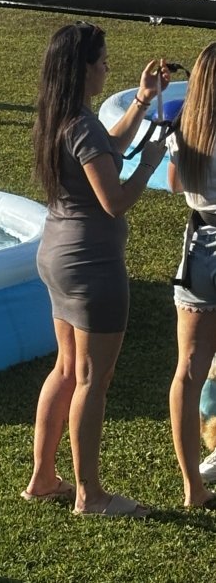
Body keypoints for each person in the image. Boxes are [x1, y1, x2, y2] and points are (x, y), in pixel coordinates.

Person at [21, 21, 169, 517]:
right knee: (92, 379)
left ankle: (43, 478)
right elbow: (114, 200)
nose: (108, 67)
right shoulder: (81, 125)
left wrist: (142, 101)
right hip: (92, 266)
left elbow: (107, 149)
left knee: (66, 369)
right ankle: (90, 495)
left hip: (58, 255)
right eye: (103, 61)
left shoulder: (59, 115)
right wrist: (149, 163)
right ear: (83, 68)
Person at [167, 42, 216, 509]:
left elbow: (174, 183)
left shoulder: (186, 128)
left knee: (188, 371)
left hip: (200, 249)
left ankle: (192, 487)